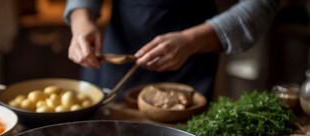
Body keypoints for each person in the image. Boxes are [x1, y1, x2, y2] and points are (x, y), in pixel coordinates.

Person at [63, 0, 280, 101]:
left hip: (192, 54)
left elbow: (262, 3)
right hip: (117, 49)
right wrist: (81, 20)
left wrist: (190, 41)